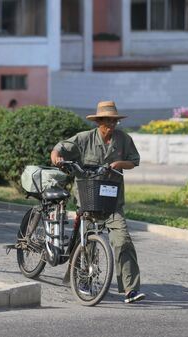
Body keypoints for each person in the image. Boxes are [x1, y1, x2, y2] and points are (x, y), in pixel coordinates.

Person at [50, 100, 146, 304]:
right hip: (88, 197)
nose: (111, 125)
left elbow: (134, 161)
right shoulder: (84, 139)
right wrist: (56, 157)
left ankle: (131, 289)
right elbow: (60, 148)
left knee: (123, 240)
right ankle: (82, 280)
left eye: (114, 121)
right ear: (98, 121)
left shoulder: (123, 139)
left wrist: (119, 164)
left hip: (113, 202)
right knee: (87, 241)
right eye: (107, 121)